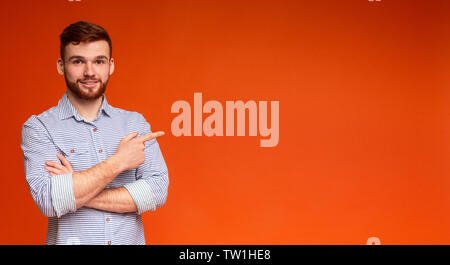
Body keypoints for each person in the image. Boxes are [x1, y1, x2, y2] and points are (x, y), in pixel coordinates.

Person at [20, 21, 169, 245]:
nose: (89, 72)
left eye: (98, 61)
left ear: (111, 65)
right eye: (78, 61)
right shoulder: (39, 128)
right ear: (61, 66)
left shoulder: (135, 124)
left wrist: (76, 192)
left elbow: (156, 192)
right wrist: (119, 162)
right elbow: (50, 200)